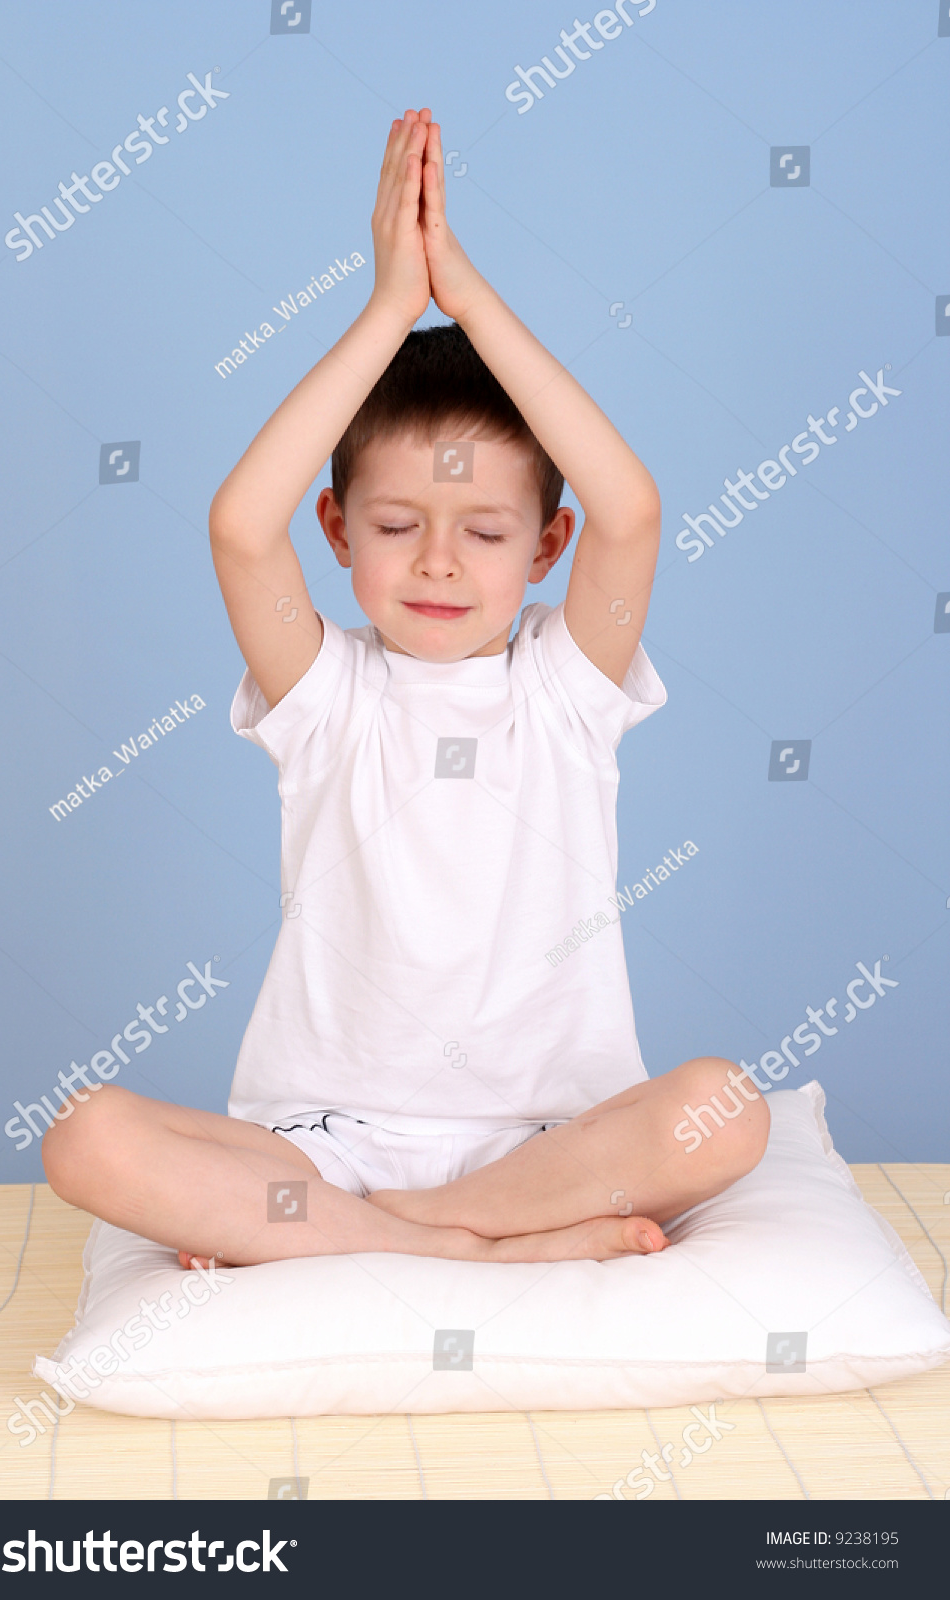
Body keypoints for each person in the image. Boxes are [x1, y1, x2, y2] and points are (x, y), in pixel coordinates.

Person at [43, 108, 768, 1269]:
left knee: (727, 1107)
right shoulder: (326, 695)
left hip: (551, 1139)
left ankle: (394, 1237)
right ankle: (472, 1249)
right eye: (395, 524)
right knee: (83, 1137)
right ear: (336, 528)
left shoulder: (567, 688)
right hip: (321, 1148)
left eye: (484, 530)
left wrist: (464, 293)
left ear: (544, 548)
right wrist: (388, 307)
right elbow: (238, 524)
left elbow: (632, 509)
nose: (437, 560)